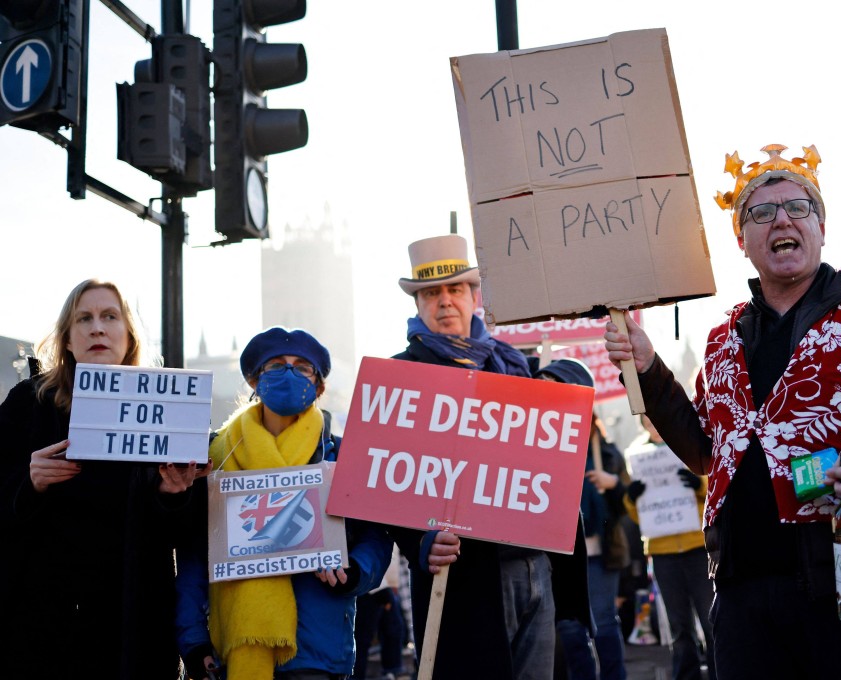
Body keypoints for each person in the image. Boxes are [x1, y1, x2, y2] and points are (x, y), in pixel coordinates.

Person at [603, 144, 841, 680]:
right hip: (742, 597)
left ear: (821, 227)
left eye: (798, 207)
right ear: (742, 240)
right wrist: (649, 370)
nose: (782, 219)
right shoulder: (723, 336)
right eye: (761, 211)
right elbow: (708, 452)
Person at [388, 234, 591, 680]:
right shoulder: (401, 376)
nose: (444, 302)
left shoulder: (512, 363)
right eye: (431, 293)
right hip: (465, 578)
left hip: (538, 563)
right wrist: (419, 543)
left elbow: (576, 382)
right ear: (418, 303)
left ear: (474, 297)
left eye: (454, 289)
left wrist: (557, 383)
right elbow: (383, 483)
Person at [0, 278, 204, 679]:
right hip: (39, 633)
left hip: (133, 631)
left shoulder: (170, 409)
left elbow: (192, 535)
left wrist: (173, 494)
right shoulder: (29, 403)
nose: (97, 327)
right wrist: (30, 485)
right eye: (84, 318)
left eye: (110, 316)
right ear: (67, 339)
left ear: (128, 335)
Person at [176, 327, 393, 680]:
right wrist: (194, 641)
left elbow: (376, 538)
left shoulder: (342, 457)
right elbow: (194, 556)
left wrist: (353, 570)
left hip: (317, 653)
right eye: (276, 365)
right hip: (232, 650)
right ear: (254, 381)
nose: (290, 373)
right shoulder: (215, 457)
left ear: (319, 386)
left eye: (303, 367)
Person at [535, 358, 629, 680]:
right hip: (560, 556)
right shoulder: (539, 447)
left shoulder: (608, 453)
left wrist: (613, 484)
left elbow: (628, 507)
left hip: (599, 554)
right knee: (570, 630)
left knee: (603, 624)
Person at [624, 415, 715, 680]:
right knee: (678, 625)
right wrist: (631, 500)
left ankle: (719, 671)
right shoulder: (637, 456)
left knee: (710, 619)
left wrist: (699, 485)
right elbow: (637, 514)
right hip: (662, 551)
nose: (653, 424)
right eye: (647, 421)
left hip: (697, 545)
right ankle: (687, 675)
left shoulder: (688, 445)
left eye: (656, 418)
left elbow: (714, 490)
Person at [353, 545, 410, 680]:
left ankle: (392, 671)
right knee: (362, 638)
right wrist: (383, 587)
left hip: (380, 584)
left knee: (393, 629)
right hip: (371, 585)